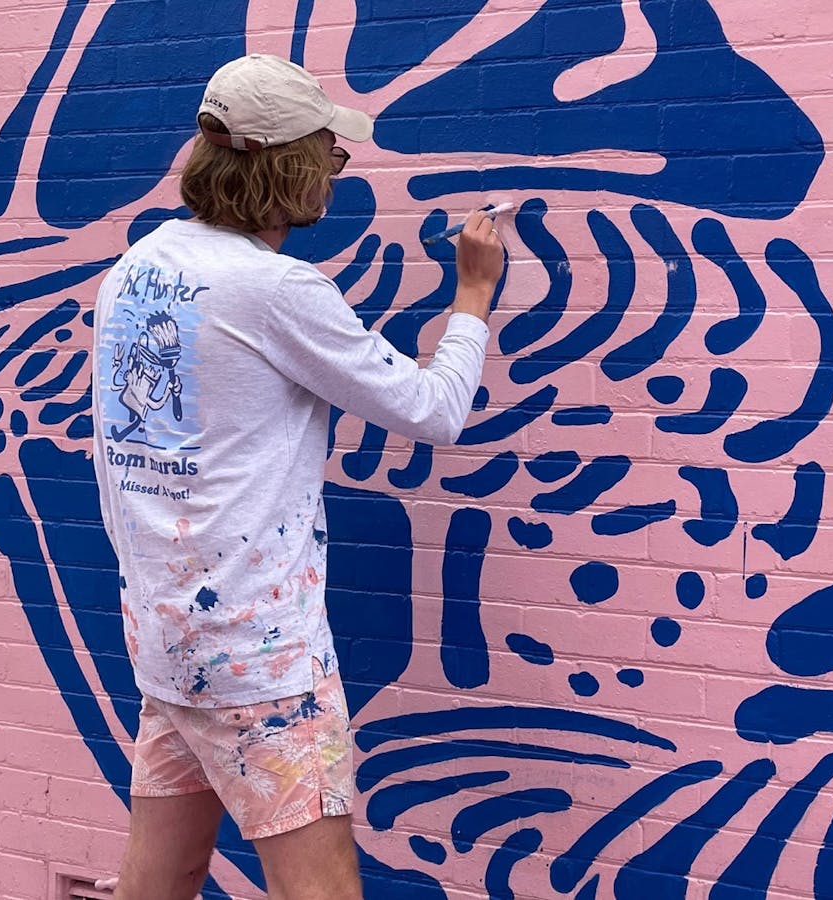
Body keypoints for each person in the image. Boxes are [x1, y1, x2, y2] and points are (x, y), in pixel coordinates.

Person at [89, 54, 505, 900]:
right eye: (330, 156)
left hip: (169, 642)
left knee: (157, 883)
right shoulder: (275, 290)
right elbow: (433, 411)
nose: (335, 177)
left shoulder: (135, 271)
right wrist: (471, 296)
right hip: (261, 661)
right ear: (288, 167)